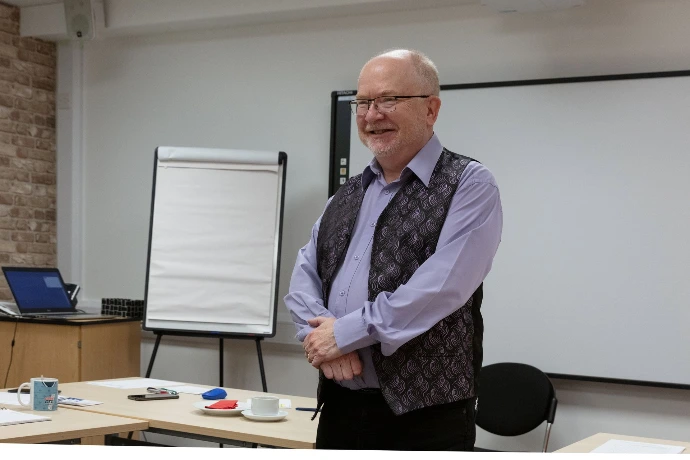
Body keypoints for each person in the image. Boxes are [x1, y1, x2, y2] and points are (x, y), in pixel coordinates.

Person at [284, 49, 503, 451]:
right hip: (340, 406)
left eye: (388, 99)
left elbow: (441, 287)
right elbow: (303, 278)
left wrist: (345, 334)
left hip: (425, 418)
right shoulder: (347, 193)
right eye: (363, 102)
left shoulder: (469, 184)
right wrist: (324, 340)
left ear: (430, 109)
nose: (372, 115)